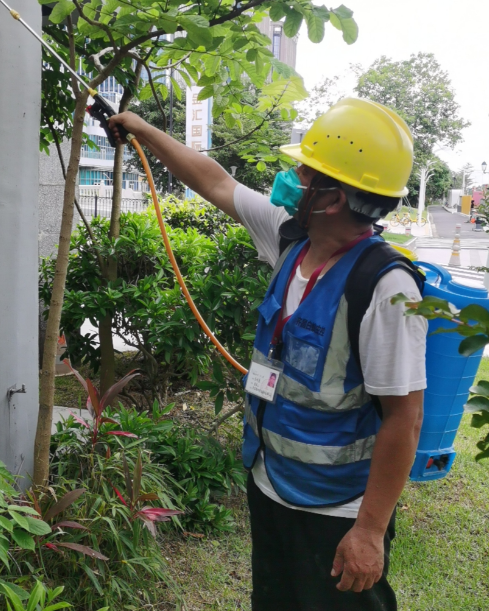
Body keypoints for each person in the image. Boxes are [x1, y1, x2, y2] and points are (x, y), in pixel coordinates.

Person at [110, 98, 427, 611]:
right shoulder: (290, 237)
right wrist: (142, 128)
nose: (292, 178)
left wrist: (370, 531)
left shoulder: (386, 288)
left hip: (336, 508)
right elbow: (214, 181)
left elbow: (405, 419)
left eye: (306, 173)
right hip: (269, 481)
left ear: (333, 199)